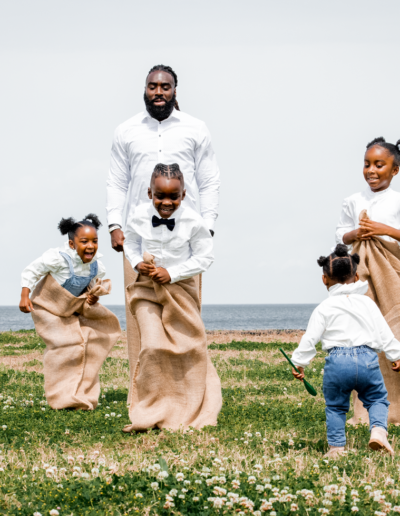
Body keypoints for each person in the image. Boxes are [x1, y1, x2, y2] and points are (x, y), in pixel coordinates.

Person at [106, 64, 220, 389]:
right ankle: (144, 392)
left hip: (185, 237)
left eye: (165, 86)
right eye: (152, 86)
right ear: (144, 90)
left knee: (185, 317)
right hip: (139, 237)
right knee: (140, 316)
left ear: (174, 90)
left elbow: (210, 179)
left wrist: (207, 225)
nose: (159, 92)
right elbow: (116, 180)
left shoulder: (196, 129)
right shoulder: (125, 131)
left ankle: (186, 391)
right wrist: (115, 224)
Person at [122, 163, 222, 431]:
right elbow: (130, 243)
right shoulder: (138, 215)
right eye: (160, 195)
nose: (166, 202)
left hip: (180, 290)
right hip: (146, 288)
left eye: (173, 197)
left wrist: (173, 273)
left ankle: (186, 405)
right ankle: (150, 407)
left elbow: (205, 257)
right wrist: (135, 262)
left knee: (189, 346)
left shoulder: (193, 221)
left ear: (184, 195)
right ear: (149, 192)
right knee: (152, 346)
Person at [291, 244, 400, 458]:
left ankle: (336, 448)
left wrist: (299, 363)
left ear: (324, 279)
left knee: (335, 407)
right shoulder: (367, 303)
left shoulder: (324, 308)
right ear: (357, 275)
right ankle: (378, 430)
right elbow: (383, 330)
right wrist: (395, 355)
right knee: (377, 398)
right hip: (367, 358)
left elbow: (310, 338)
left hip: (337, 361)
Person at [20, 214, 121, 410]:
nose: (90, 246)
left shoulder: (96, 265)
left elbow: (90, 285)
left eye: (94, 241)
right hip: (49, 308)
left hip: (71, 309)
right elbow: (32, 270)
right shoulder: (59, 258)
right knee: (65, 345)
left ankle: (80, 394)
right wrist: (25, 295)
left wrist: (92, 294)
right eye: (84, 241)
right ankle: (61, 396)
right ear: (72, 244)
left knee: (86, 344)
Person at [336, 137, 400, 425]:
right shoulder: (353, 200)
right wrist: (355, 235)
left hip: (393, 272)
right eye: (366, 164)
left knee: (394, 332)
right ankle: (366, 411)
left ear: (395, 170)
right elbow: (341, 234)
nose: (371, 170)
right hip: (363, 271)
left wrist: (383, 229)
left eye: (379, 164)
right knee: (364, 332)